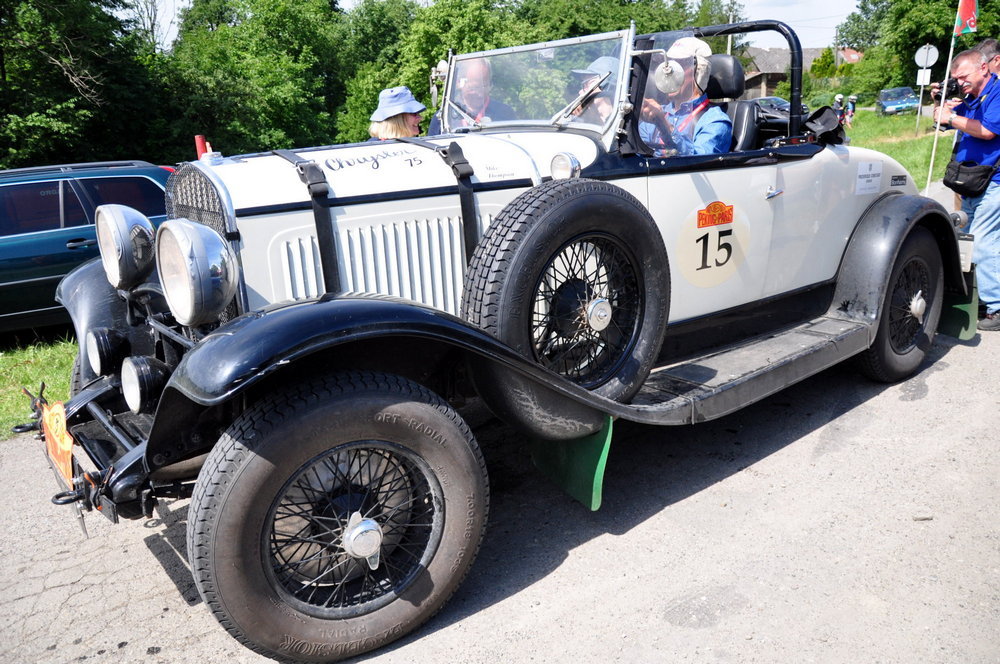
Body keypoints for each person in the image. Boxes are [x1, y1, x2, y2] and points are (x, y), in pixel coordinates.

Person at [933, 48, 1000, 330]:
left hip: (994, 181)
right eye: (956, 78)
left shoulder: (996, 93)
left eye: (963, 76)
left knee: (982, 241)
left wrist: (951, 118)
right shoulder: (973, 97)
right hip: (972, 180)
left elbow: (987, 130)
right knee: (968, 242)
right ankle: (976, 298)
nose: (961, 82)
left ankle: (995, 308)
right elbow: (949, 120)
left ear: (983, 67)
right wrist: (942, 106)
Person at [638, 36, 733, 156]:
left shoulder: (715, 120)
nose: (668, 71)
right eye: (667, 64)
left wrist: (664, 125)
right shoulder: (657, 112)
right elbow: (635, 154)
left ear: (699, 70)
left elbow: (700, 163)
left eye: (678, 65)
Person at [428, 58, 515, 133]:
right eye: (474, 87)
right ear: (459, 83)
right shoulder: (444, 118)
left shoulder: (505, 113)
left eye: (484, 85)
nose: (480, 93)